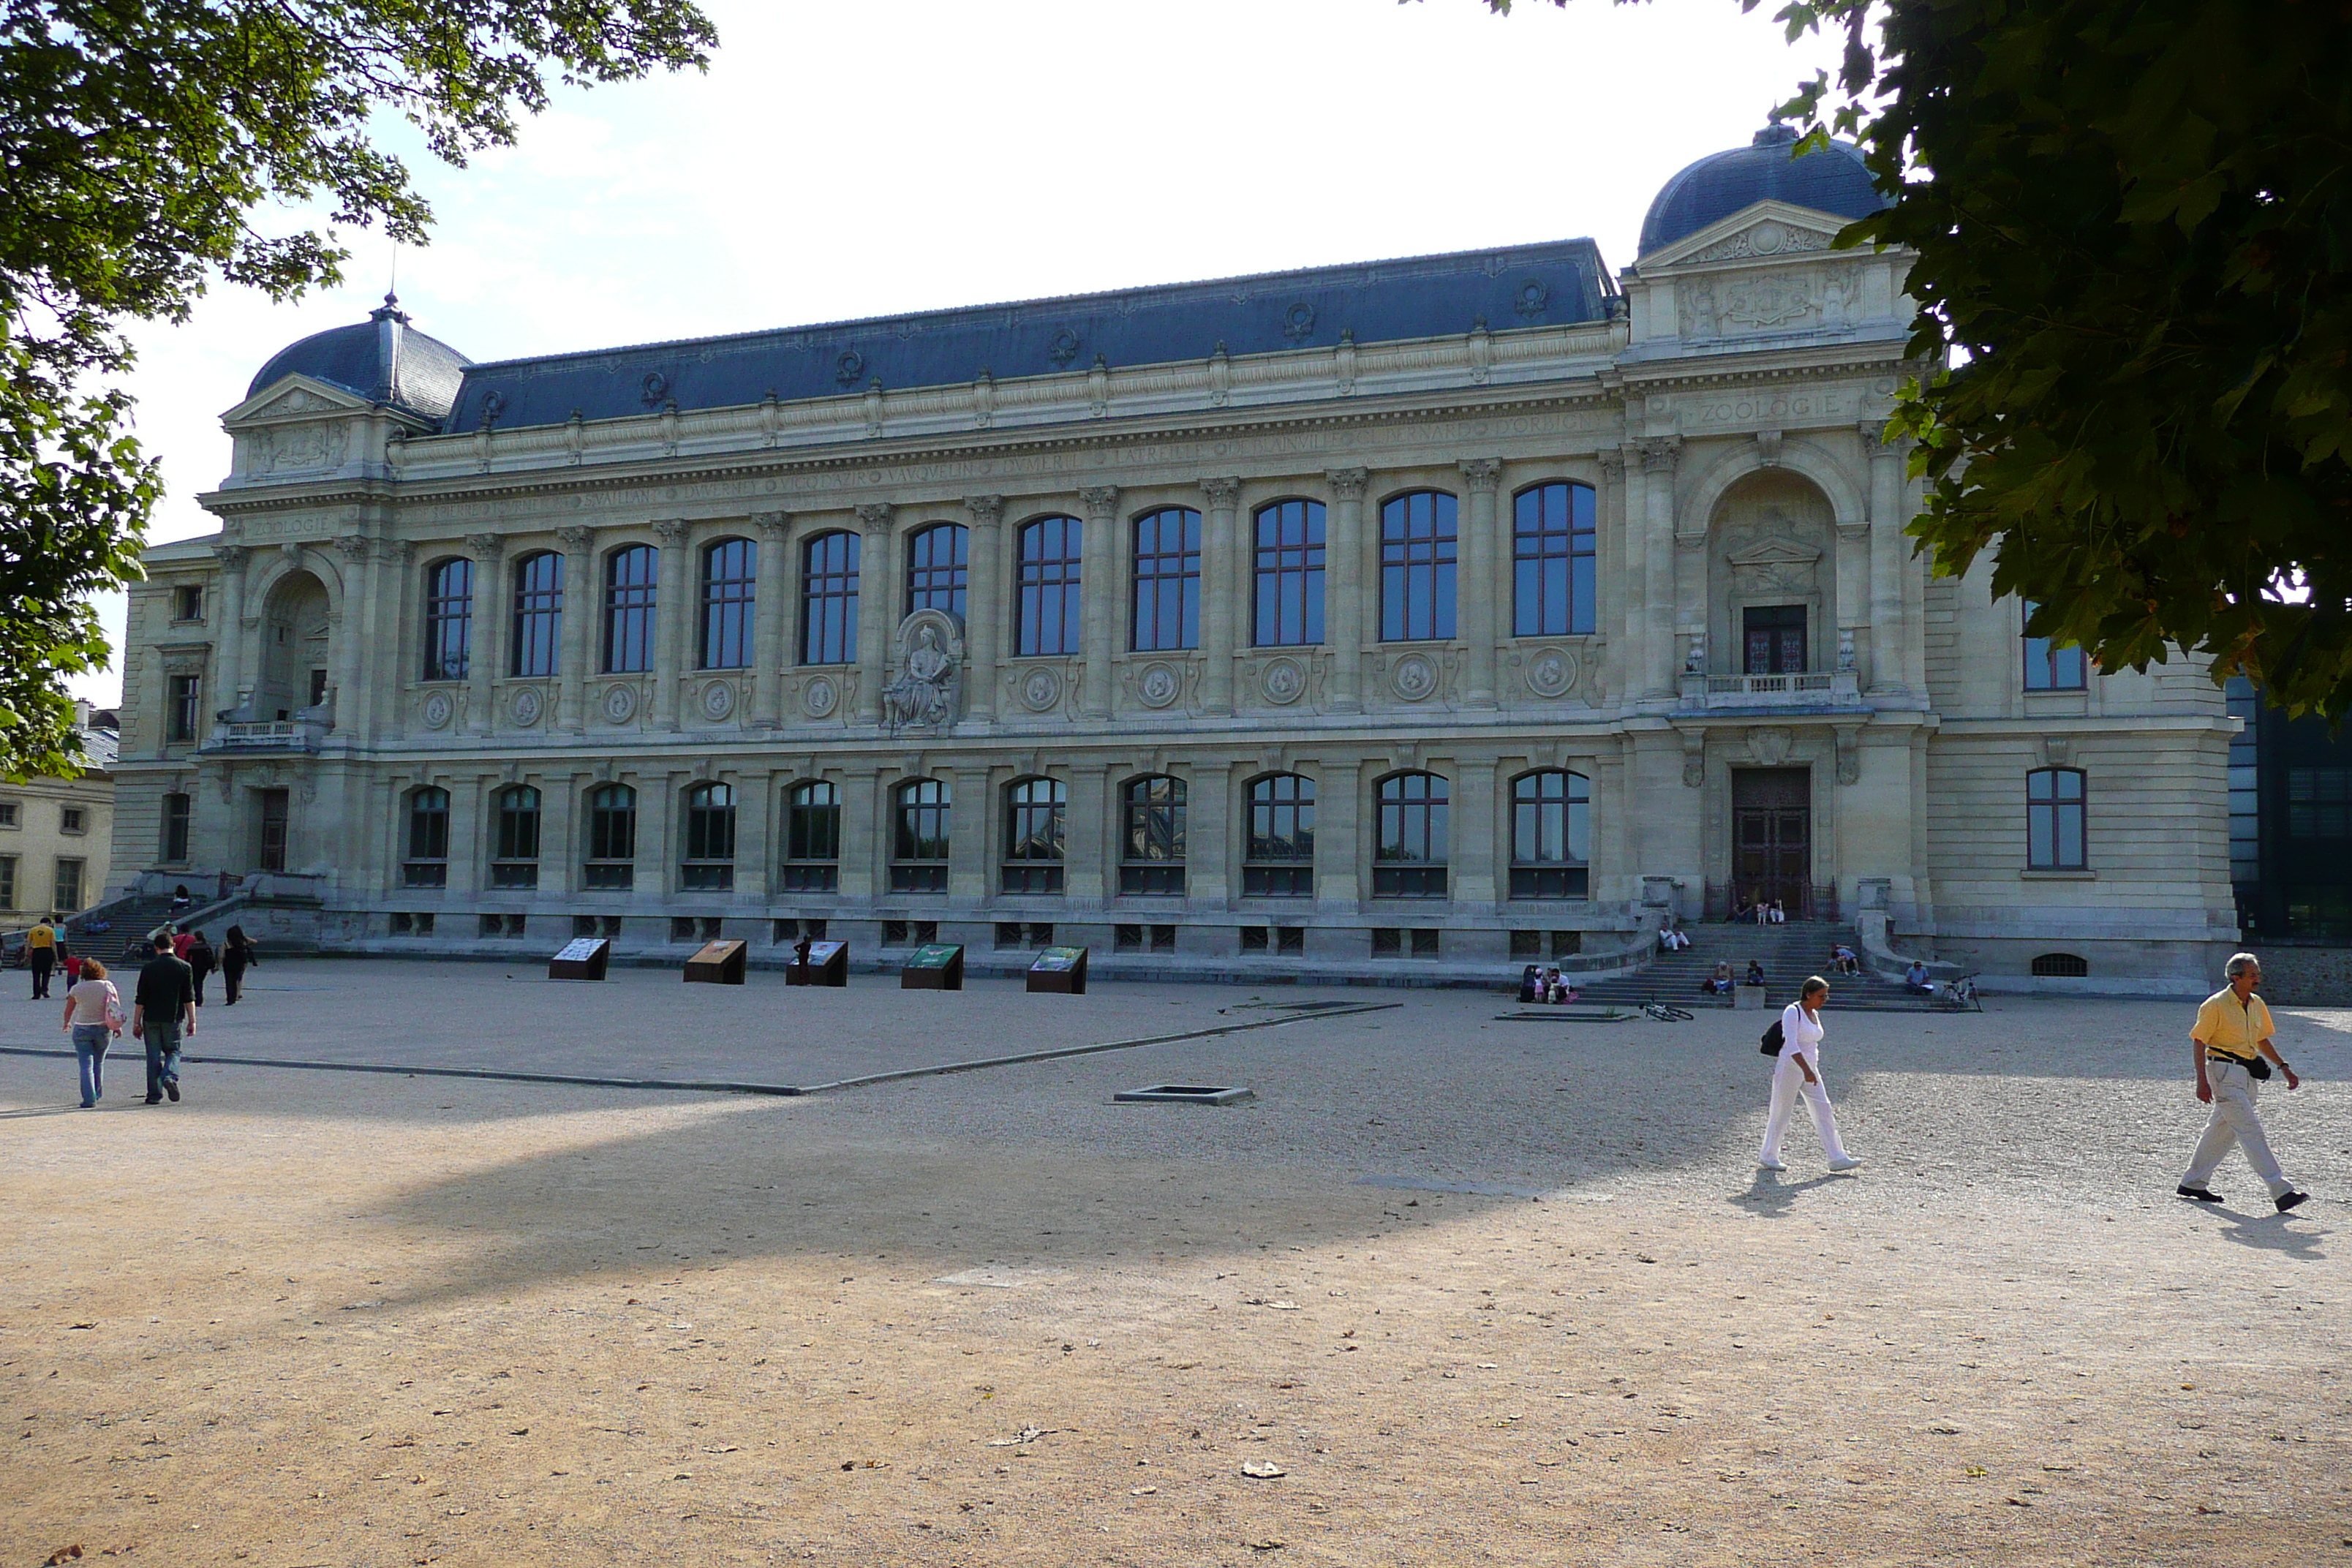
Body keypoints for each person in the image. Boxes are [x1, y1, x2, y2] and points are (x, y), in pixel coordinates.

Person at [2177, 954, 2310, 1213]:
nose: (2257, 979)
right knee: (2251, 1130)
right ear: (2235, 978)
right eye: (2252, 975)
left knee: (2220, 1131)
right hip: (2223, 1073)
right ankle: (2281, 1190)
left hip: (2248, 1075)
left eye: (2257, 974)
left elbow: (2261, 1040)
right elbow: (2199, 1041)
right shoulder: (2215, 1005)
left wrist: (2284, 1067)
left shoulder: (2257, 1004)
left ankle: (2193, 1182)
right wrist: (2201, 1081)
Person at [1760, 975, 1863, 1173]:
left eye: (1826, 996)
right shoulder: (1792, 1011)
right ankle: (1768, 1155)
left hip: (1810, 1066)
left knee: (1823, 1109)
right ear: (1808, 994)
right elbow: (1791, 1044)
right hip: (1791, 1065)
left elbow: (1812, 1042)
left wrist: (1810, 1070)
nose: (1824, 1000)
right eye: (1821, 996)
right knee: (1781, 1110)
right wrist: (1806, 1070)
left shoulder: (1814, 1013)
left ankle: (1837, 1157)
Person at [132, 934, 196, 1105]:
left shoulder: (149, 968)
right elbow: (189, 997)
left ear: (156, 948)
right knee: (173, 1051)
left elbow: (141, 999)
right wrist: (192, 1021)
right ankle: (169, 1076)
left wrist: (136, 1023)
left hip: (151, 1018)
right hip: (173, 1017)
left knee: (153, 1056)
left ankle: (154, 1095)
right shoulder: (185, 967)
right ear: (173, 945)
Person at [61, 957, 123, 1108]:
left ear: (83, 973)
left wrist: (67, 1023)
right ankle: (98, 1093)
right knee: (99, 1063)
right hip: (103, 1028)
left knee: (85, 1065)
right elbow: (115, 1007)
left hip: (82, 1028)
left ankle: (89, 1099)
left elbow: (69, 1009)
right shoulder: (108, 985)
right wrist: (117, 1026)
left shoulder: (77, 988)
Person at [220, 924, 257, 1006]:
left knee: (229, 981)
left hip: (228, 963)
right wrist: (244, 938)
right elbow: (255, 941)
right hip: (241, 963)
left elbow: (221, 955)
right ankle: (237, 994)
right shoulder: (243, 941)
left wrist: (218, 964)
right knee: (238, 978)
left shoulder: (227, 943)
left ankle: (231, 998)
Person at [26, 916, 56, 999]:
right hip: (47, 951)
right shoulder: (50, 930)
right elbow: (53, 943)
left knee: (36, 974)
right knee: (46, 973)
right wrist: (55, 955)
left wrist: (26, 953)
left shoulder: (33, 930)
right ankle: (44, 989)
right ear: (49, 923)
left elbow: (28, 943)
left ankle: (36, 994)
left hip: (37, 951)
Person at [186, 930, 216, 1007]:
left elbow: (187, 958)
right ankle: (199, 998)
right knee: (200, 982)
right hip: (204, 967)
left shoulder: (192, 947)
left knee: (196, 982)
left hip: (195, 966)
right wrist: (212, 967)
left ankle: (198, 998)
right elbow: (211, 957)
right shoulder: (206, 946)